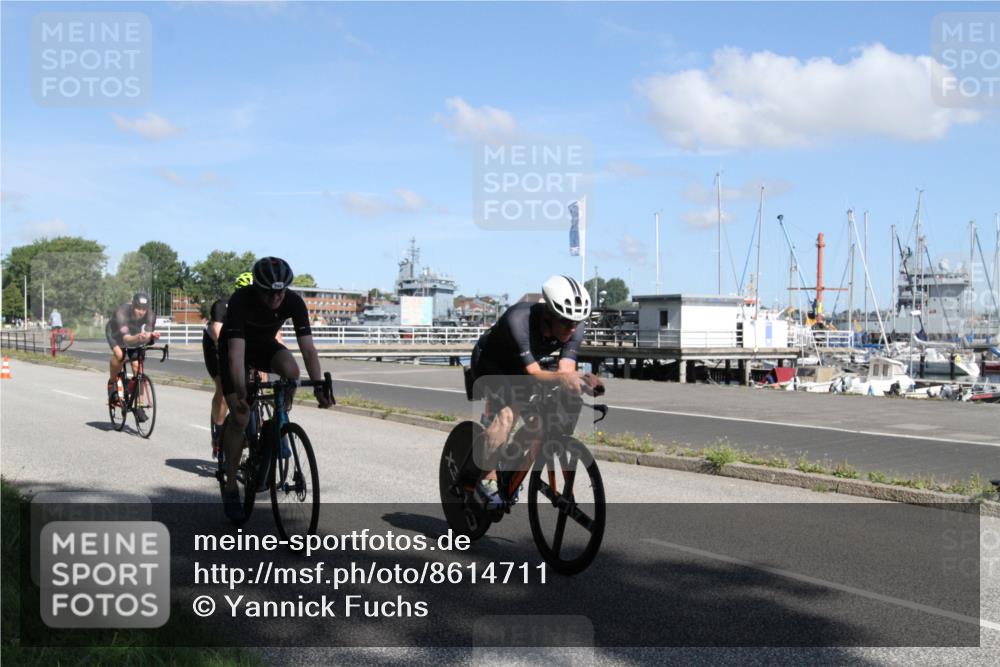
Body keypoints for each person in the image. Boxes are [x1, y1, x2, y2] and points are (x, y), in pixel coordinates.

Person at [467, 275, 602, 505]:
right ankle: (487, 477)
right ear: (549, 315)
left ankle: (509, 468)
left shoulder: (575, 326)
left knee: (540, 423)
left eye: (576, 323)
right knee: (510, 412)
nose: (572, 328)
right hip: (492, 363)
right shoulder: (518, 319)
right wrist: (565, 378)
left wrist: (581, 382)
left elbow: (565, 368)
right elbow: (533, 372)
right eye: (567, 322)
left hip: (521, 369)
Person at [218, 257, 334, 522]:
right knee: (240, 416)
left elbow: (308, 349)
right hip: (234, 348)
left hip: (262, 345)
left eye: (281, 291)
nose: (276, 298)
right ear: (257, 288)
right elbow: (236, 356)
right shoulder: (240, 300)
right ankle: (231, 486)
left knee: (292, 371)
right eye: (269, 292)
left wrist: (318, 385)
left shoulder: (293, 301)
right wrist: (239, 393)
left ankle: (279, 419)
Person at [203, 272, 254, 459]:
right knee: (224, 389)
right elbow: (217, 333)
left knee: (258, 382)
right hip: (216, 346)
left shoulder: (260, 307)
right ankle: (218, 434)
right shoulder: (222, 305)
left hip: (240, 345)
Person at [106, 292, 160, 421]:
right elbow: (126, 339)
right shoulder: (121, 313)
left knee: (137, 367)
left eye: (143, 309)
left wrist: (151, 336)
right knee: (120, 355)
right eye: (138, 308)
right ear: (132, 307)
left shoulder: (150, 315)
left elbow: (146, 334)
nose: (141, 312)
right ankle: (112, 383)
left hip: (134, 335)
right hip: (116, 334)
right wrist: (138, 337)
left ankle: (139, 405)